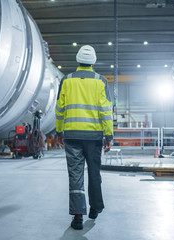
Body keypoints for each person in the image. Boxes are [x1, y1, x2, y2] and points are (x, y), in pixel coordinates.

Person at [55, 45, 113, 230]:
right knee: (94, 173)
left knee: (75, 175)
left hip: (72, 136)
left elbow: (59, 109)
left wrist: (58, 132)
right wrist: (108, 135)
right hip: (94, 137)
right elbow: (106, 111)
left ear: (77, 60)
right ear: (93, 62)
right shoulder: (100, 81)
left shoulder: (66, 80)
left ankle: (78, 216)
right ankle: (95, 207)